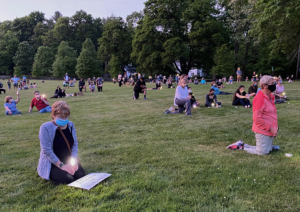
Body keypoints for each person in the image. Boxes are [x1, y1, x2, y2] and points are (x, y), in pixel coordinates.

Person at [227, 75, 278, 155]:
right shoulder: (259, 98)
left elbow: (271, 114)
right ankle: (240, 146)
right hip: (262, 129)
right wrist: (271, 128)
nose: (274, 84)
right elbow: (257, 118)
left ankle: (268, 146)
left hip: (270, 128)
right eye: (272, 83)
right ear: (264, 85)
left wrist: (274, 128)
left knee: (268, 150)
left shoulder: (271, 96)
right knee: (262, 152)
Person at [37, 101, 85, 185]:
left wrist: (73, 162)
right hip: (53, 163)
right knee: (68, 179)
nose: (64, 119)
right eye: (60, 117)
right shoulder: (45, 128)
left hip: (67, 160)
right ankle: (51, 174)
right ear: (53, 115)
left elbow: (74, 144)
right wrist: (62, 166)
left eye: (66, 117)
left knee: (81, 175)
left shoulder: (70, 125)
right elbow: (47, 151)